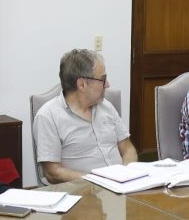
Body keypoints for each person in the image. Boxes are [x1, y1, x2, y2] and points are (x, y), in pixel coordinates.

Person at [33, 48, 137, 183]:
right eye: (103, 79)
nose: (107, 84)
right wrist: (98, 181)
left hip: (122, 186)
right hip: (83, 190)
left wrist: (127, 174)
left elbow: (127, 148)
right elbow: (53, 172)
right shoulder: (48, 116)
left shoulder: (106, 106)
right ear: (82, 84)